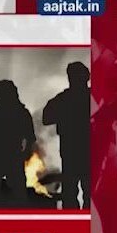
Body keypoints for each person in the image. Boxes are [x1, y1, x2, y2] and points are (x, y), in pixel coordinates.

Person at [41, 60, 94, 209]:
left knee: (71, 195)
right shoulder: (93, 98)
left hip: (72, 152)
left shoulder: (63, 99)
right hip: (87, 152)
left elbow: (47, 117)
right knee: (87, 194)